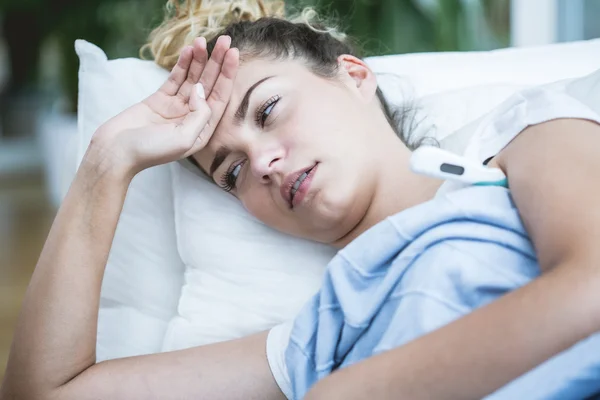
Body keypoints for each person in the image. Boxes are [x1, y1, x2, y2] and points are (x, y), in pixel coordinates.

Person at [3, 1, 600, 399]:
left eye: (267, 110)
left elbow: (590, 286)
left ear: (354, 76)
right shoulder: (312, 337)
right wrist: (107, 162)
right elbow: (49, 393)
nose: (260, 163)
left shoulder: (524, 140)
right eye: (230, 173)